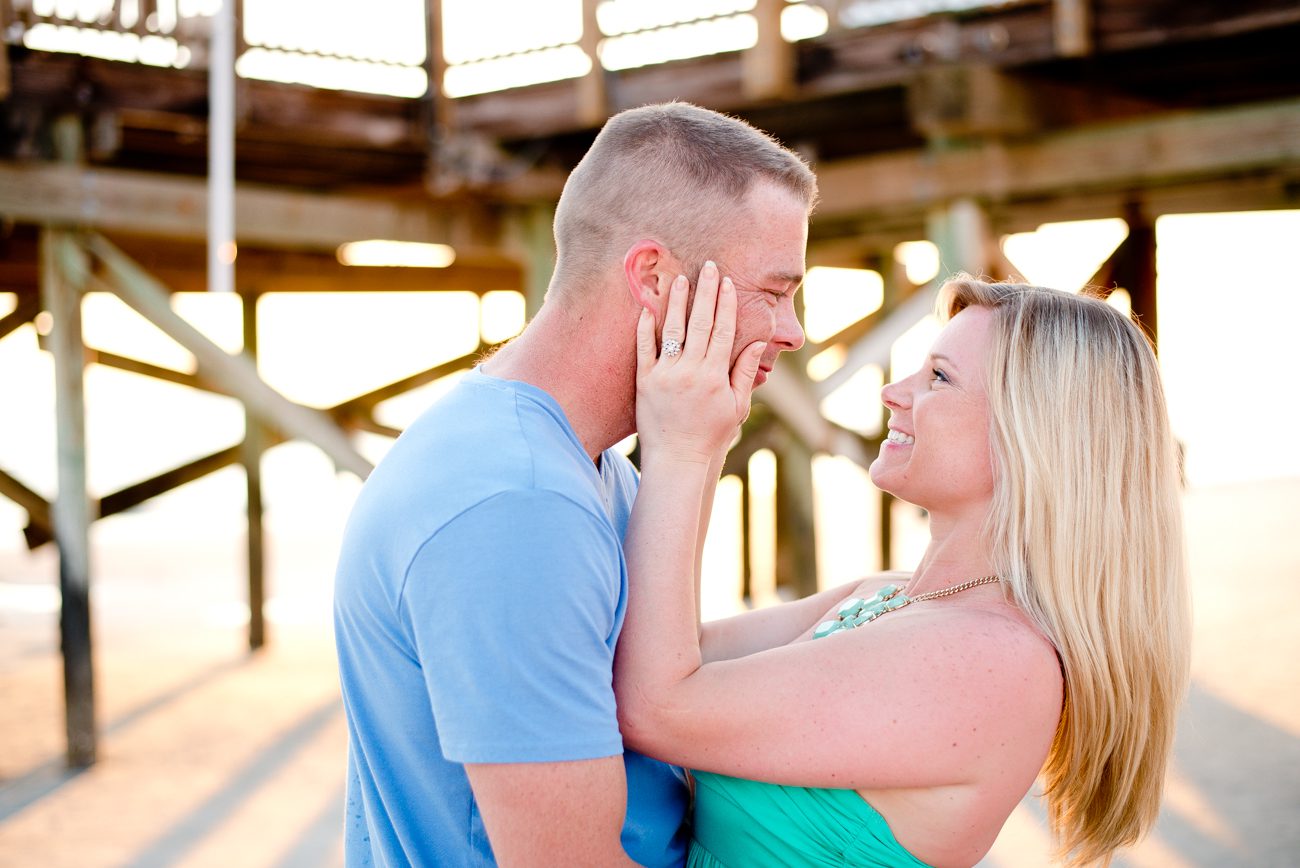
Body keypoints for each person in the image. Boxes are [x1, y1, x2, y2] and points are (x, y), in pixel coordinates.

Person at [332, 101, 818, 866]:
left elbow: (659, 659)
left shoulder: (574, 460)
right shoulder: (517, 508)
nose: (794, 332)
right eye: (776, 290)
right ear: (654, 277)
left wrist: (869, 608)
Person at [616, 273, 1191, 867]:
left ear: (1034, 437)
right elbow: (678, 652)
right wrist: (713, 436)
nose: (893, 391)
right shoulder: (889, 597)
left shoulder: (992, 661)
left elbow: (654, 707)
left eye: (939, 377)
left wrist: (681, 448)